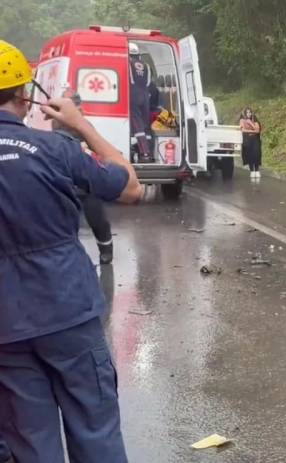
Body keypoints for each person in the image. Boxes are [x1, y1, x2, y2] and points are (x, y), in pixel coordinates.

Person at [0, 40, 142, 462]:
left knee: (30, 443)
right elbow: (130, 185)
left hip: (6, 328)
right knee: (95, 432)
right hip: (69, 313)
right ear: (26, 96)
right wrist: (80, 125)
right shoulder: (56, 150)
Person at [55, 88, 114, 264]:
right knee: (62, 222)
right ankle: (67, 255)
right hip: (65, 180)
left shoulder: (85, 125)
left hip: (86, 181)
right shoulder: (56, 124)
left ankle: (106, 248)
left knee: (97, 219)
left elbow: (97, 148)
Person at [129, 42, 154, 163]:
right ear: (138, 55)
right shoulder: (147, 66)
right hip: (145, 95)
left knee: (137, 125)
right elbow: (149, 83)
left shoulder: (128, 63)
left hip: (133, 95)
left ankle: (144, 153)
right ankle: (150, 151)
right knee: (145, 124)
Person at [239, 107, 263, 179]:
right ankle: (252, 171)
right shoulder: (242, 120)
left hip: (255, 139)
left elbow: (257, 130)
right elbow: (243, 130)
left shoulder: (254, 119)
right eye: (247, 113)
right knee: (249, 154)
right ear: (245, 113)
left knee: (256, 154)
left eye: (250, 112)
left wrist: (250, 123)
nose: (249, 114)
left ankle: (257, 170)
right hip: (247, 140)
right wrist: (253, 130)